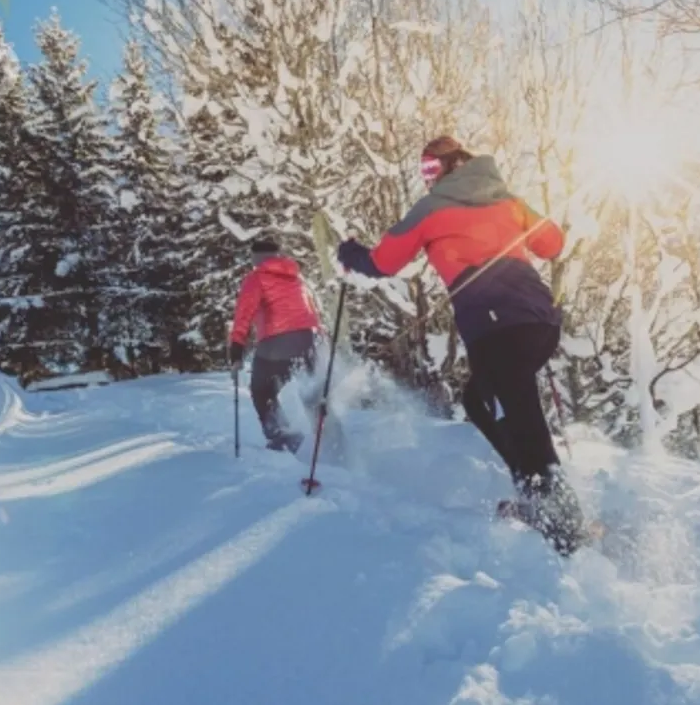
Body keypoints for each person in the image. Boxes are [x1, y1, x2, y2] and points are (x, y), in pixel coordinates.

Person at [337, 136, 583, 552]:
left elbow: (384, 262)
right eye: (424, 172)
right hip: (538, 321)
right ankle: (536, 492)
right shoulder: (506, 197)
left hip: (496, 326)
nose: (427, 179)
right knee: (482, 400)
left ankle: (560, 520)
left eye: (431, 169)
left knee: (517, 410)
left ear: (455, 165)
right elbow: (553, 245)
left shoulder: (432, 208)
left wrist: (350, 253)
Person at [229, 236, 324, 454]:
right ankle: (332, 441)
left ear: (256, 258)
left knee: (262, 391)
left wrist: (236, 350)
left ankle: (285, 439)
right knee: (313, 394)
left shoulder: (256, 278)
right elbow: (312, 313)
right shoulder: (297, 278)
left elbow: (244, 315)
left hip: (276, 343)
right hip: (309, 341)